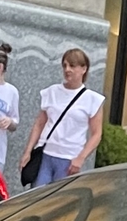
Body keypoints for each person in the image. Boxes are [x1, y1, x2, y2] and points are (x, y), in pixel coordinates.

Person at [24, 48, 105, 184]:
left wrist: (81, 158)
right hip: (45, 153)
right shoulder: (51, 92)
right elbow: (39, 123)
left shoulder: (92, 99)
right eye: (65, 65)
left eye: (72, 66)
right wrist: (28, 151)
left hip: (69, 158)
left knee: (59, 200)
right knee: (38, 197)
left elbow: (96, 134)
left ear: (84, 69)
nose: (67, 70)